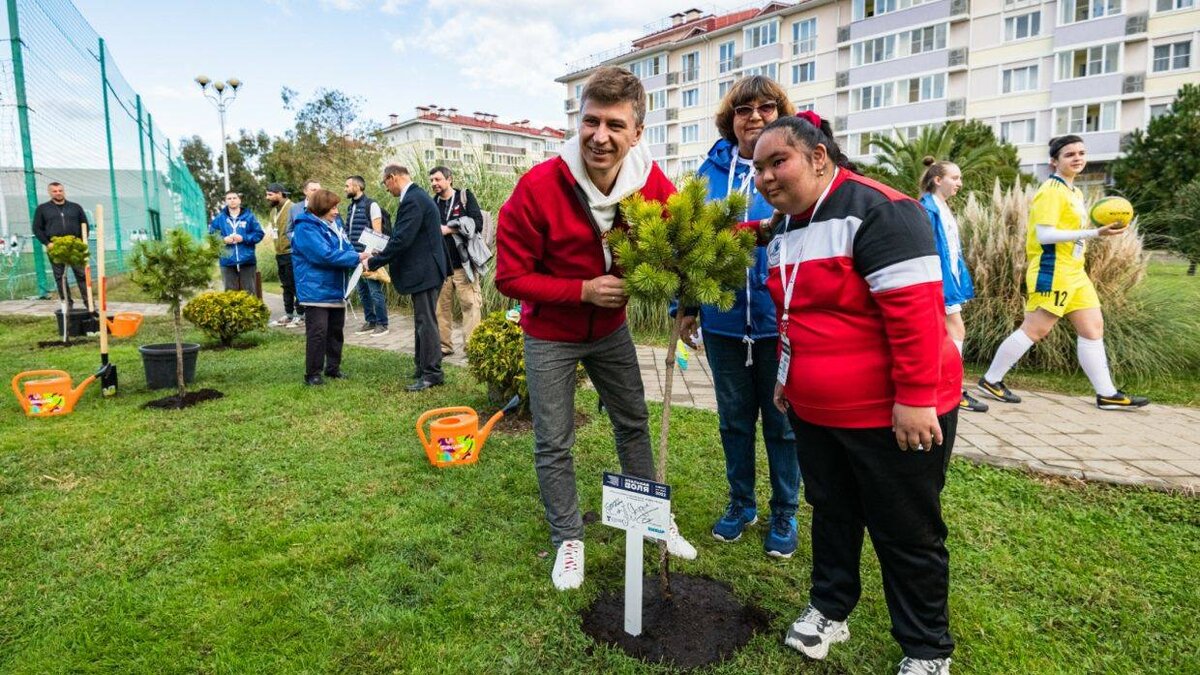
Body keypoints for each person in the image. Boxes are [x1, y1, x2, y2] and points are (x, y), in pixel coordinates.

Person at [750, 113, 961, 675]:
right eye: (758, 168)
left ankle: (926, 649)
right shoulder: (788, 225)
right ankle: (829, 608)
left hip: (893, 412)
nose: (766, 177)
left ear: (820, 158)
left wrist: (915, 397)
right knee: (833, 512)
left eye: (779, 162)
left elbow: (915, 313)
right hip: (818, 410)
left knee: (906, 530)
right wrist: (787, 382)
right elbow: (797, 314)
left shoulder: (881, 210)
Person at [495, 66, 697, 592]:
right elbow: (509, 277)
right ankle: (567, 540)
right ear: (577, 120)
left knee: (632, 422)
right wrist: (581, 290)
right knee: (553, 440)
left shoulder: (650, 183)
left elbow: (686, 240)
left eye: (614, 125)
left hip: (610, 332)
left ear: (637, 133)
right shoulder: (538, 186)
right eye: (590, 121)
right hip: (550, 336)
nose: (599, 137)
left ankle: (652, 522)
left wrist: (755, 233)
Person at [677, 75, 801, 558]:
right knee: (733, 420)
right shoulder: (708, 174)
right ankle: (741, 503)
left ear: (780, 113)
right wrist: (685, 306)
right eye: (743, 109)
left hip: (780, 324)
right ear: (729, 118)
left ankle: (785, 510)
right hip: (725, 323)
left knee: (783, 422)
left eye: (766, 107)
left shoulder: (792, 168)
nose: (754, 116)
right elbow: (688, 245)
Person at [977, 135, 1149, 411]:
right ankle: (990, 379)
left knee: (1093, 328)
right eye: (1070, 154)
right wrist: (1095, 233)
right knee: (1036, 329)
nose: (1078, 158)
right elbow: (1044, 235)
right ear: (1054, 161)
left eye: (1081, 153)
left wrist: (1098, 233)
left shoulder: (1075, 192)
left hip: (1075, 271)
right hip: (1052, 268)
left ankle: (1107, 394)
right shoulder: (1051, 190)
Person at [367, 165, 448, 391]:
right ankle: (423, 367)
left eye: (385, 183)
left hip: (426, 271)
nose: (386, 189)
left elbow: (402, 239)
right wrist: (377, 253)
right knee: (422, 320)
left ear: (392, 178)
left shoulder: (413, 199)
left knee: (426, 321)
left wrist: (374, 262)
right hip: (427, 269)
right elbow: (404, 237)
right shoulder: (417, 196)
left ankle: (432, 373)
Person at [919, 158, 988, 413]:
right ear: (938, 180)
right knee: (956, 331)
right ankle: (952, 389)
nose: (959, 183)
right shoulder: (927, 207)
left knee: (948, 333)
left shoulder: (942, 207)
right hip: (939, 281)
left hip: (949, 279)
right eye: (954, 178)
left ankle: (946, 386)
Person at [291, 189, 370, 385]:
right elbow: (323, 255)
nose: (336, 211)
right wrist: (356, 257)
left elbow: (346, 247)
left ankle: (333, 368)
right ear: (321, 208)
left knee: (336, 330)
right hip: (316, 289)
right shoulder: (305, 228)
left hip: (336, 288)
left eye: (336, 207)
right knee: (318, 332)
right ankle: (313, 374)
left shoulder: (335, 224)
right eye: (332, 207)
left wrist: (360, 256)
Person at [430, 165, 486, 355]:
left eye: (437, 179)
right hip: (442, 267)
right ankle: (444, 347)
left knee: (470, 306)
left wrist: (450, 229)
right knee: (441, 308)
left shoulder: (464, 196)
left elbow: (478, 223)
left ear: (449, 179)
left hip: (464, 265)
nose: (434, 184)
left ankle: (473, 348)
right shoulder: (433, 203)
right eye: (431, 181)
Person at [344, 175, 390, 337]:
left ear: (357, 186)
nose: (345, 189)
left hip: (368, 255)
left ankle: (382, 324)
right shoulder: (350, 207)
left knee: (374, 291)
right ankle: (370, 321)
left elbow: (377, 231)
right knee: (362, 291)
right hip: (354, 255)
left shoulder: (372, 205)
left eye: (347, 186)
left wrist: (372, 256)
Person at [32, 181, 89, 305]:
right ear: (49, 192)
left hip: (74, 247)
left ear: (64, 191)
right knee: (60, 277)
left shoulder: (75, 207)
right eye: (55, 191)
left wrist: (82, 243)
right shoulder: (42, 209)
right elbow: (37, 228)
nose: (58, 193)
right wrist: (47, 243)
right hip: (55, 247)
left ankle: (88, 302)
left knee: (82, 275)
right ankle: (67, 303)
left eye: (60, 190)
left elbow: (85, 225)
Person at [209, 191, 264, 295]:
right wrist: (223, 240)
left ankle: (250, 311)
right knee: (230, 293)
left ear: (239, 200)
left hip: (247, 259)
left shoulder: (250, 217)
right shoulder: (220, 218)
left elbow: (259, 234)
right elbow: (212, 235)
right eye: (229, 198)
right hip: (227, 260)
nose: (232, 200)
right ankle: (232, 311)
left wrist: (243, 238)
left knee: (250, 292)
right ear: (225, 201)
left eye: (234, 198)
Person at [265, 183, 302, 327]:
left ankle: (300, 314)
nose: (267, 197)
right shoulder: (273, 211)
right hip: (279, 253)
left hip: (292, 252)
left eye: (270, 194)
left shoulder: (293, 208)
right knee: (285, 286)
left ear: (279, 194)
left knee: (295, 284)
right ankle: (289, 314)